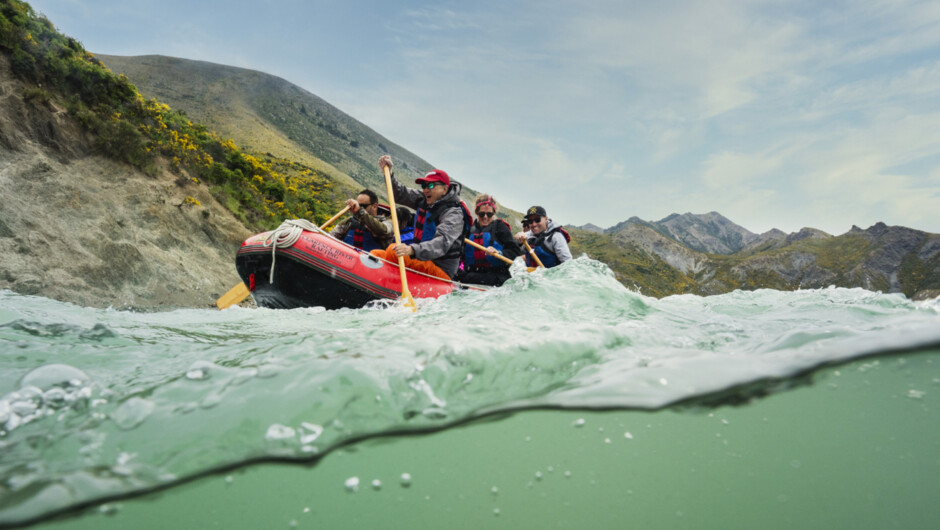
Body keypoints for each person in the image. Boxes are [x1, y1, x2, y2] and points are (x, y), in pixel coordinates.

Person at [369, 155, 470, 280]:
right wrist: (389, 174)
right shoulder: (424, 199)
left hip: (441, 269)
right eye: (424, 186)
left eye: (431, 186)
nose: (426, 190)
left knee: (392, 251)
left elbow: (442, 243)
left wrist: (412, 249)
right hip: (421, 258)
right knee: (376, 254)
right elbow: (400, 193)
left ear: (445, 189)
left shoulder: (454, 213)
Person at [456, 194, 522, 286]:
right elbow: (460, 256)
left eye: (489, 214)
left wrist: (499, 253)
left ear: (494, 214)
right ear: (476, 213)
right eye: (482, 214)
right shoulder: (469, 230)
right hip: (471, 277)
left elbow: (515, 252)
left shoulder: (500, 227)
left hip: (497, 279)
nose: (485, 217)